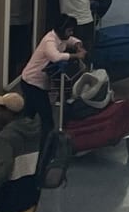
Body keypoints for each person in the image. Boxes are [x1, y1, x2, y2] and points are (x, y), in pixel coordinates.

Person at [19, 16, 85, 144]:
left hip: (38, 83)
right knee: (47, 118)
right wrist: (76, 55)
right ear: (61, 30)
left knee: (29, 115)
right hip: (32, 83)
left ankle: (25, 142)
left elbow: (70, 40)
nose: (71, 33)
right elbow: (55, 57)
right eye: (69, 30)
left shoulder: (61, 37)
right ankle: (46, 147)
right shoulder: (49, 40)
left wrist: (78, 44)